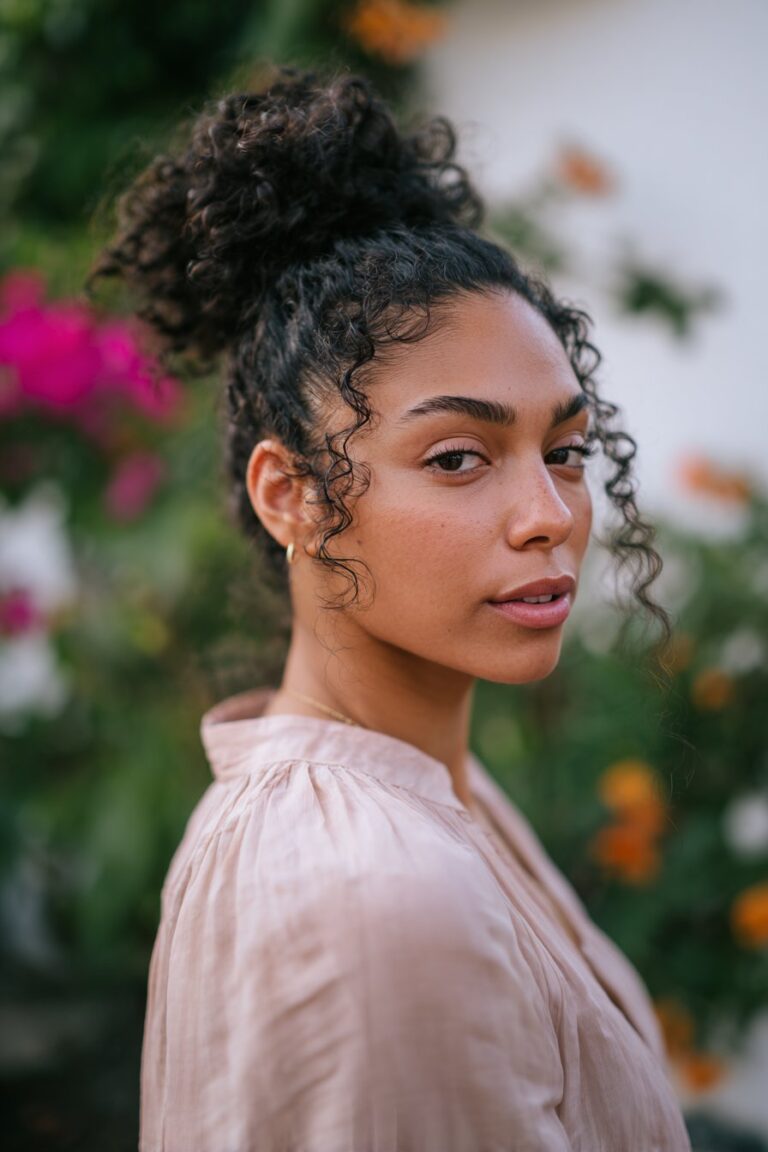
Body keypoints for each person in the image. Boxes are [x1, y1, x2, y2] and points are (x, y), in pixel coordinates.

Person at [91, 66, 692, 1152]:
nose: (548, 513)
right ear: (295, 496)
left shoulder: (426, 794)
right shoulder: (377, 896)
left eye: (563, 451)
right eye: (459, 457)